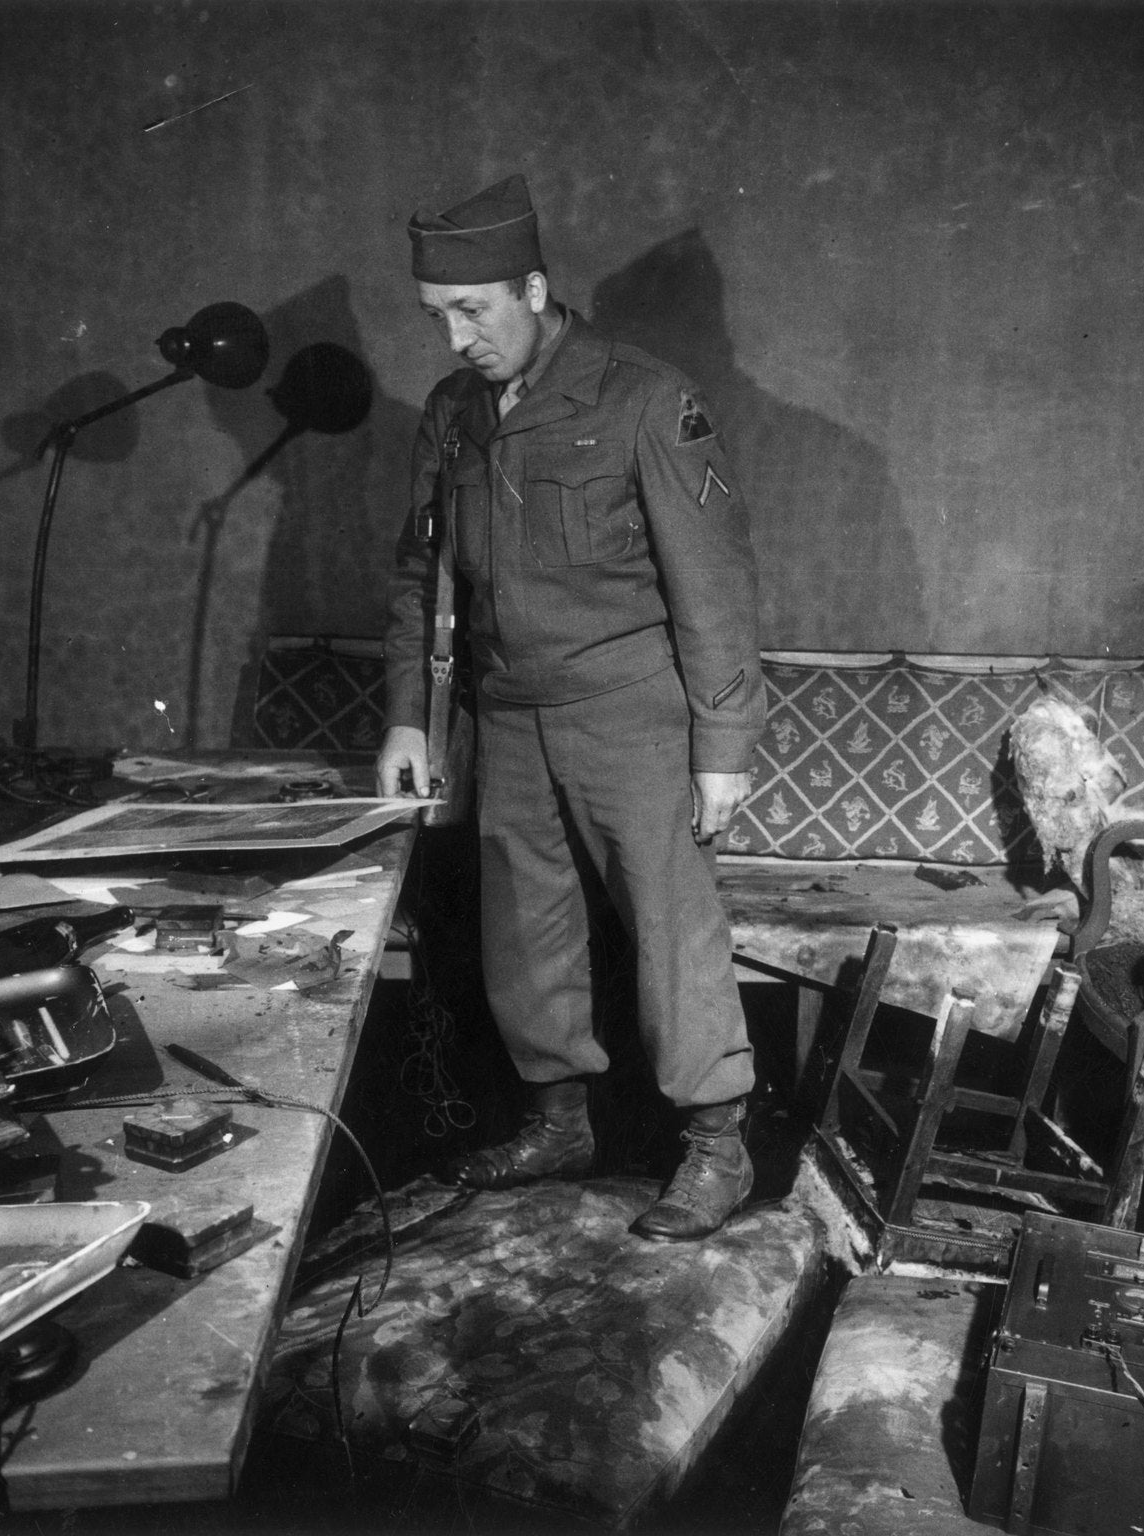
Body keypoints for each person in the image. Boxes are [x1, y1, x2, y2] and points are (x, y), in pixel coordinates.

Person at [377, 174, 766, 1242]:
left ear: (535, 289)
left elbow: (714, 585)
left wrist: (721, 745)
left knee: (669, 933)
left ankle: (717, 1147)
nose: (456, 338)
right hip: (505, 716)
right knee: (523, 932)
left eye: (474, 311)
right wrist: (409, 717)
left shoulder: (641, 398)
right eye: (437, 317)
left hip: (628, 711)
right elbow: (420, 576)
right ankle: (558, 1122)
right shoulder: (453, 417)